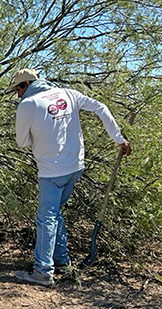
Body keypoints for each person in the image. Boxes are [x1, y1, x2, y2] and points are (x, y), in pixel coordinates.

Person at [10, 68, 131, 286]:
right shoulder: (68, 93)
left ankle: (43, 270)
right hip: (75, 167)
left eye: (18, 89)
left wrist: (37, 138)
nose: (17, 95)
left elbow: (22, 142)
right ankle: (63, 262)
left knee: (46, 217)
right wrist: (119, 139)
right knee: (55, 213)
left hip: (51, 171)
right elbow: (100, 108)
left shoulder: (28, 104)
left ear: (26, 85)